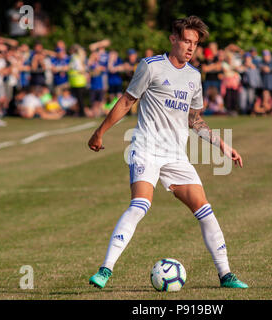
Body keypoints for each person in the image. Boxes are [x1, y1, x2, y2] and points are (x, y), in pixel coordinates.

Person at [87, 15, 248, 290]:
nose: (190, 48)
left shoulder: (194, 76)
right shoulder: (151, 67)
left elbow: (194, 119)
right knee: (140, 205)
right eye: (186, 40)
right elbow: (127, 101)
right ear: (173, 39)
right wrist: (100, 132)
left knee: (205, 211)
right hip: (146, 148)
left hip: (176, 155)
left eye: (194, 43)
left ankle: (226, 274)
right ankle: (105, 269)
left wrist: (222, 145)